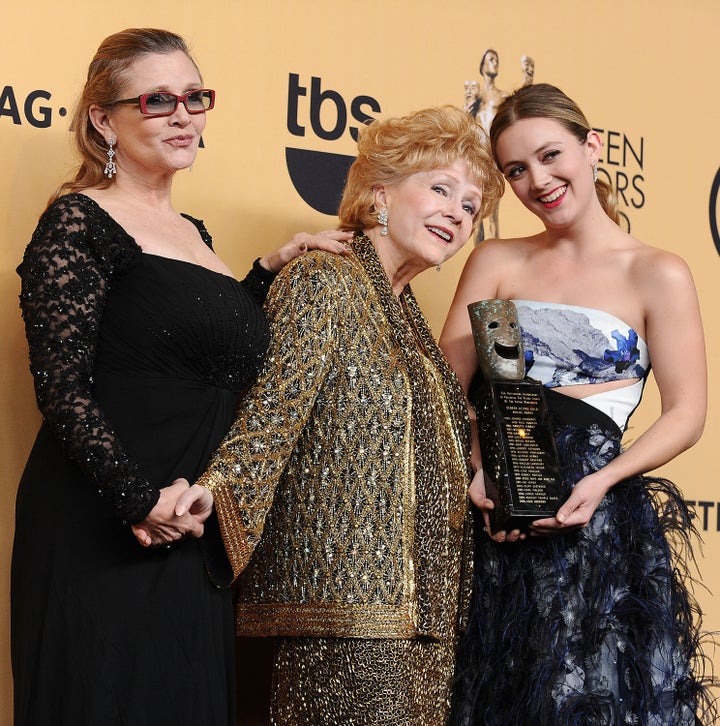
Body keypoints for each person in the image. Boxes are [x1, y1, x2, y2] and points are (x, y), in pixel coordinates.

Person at [10, 27, 350, 726]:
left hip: (191, 525)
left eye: (196, 97)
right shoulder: (79, 220)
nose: (184, 114)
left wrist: (268, 270)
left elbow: (197, 351)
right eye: (158, 99)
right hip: (108, 522)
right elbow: (61, 387)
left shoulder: (195, 232)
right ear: (105, 119)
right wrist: (137, 502)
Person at [171, 105, 505, 724]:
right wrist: (215, 492)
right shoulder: (326, 278)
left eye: (470, 206)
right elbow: (275, 407)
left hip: (423, 620)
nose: (457, 215)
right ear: (379, 192)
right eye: (440, 188)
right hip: (340, 609)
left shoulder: (410, 322)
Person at [440, 82, 715, 725]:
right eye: (515, 169)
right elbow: (451, 391)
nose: (537, 180)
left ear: (592, 147)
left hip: (594, 521)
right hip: (496, 517)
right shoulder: (495, 260)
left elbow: (686, 413)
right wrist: (479, 468)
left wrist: (604, 480)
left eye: (550, 155)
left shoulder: (656, 272)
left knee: (588, 698)